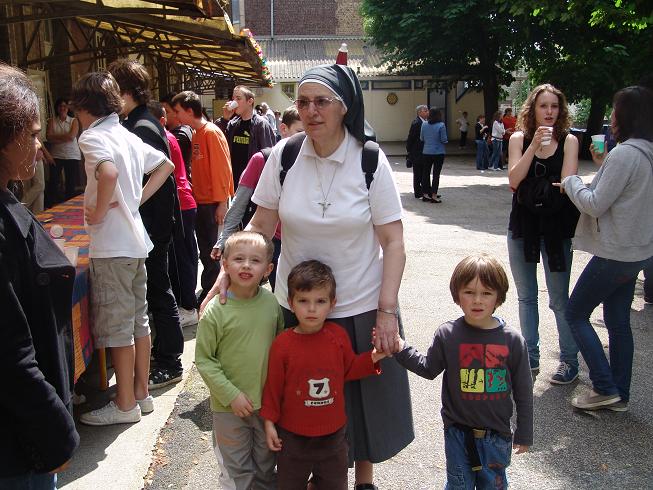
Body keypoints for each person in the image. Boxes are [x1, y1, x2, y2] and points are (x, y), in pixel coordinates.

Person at [203, 63, 414, 489]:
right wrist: (228, 271)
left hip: (357, 304)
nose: (311, 111)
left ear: (345, 106)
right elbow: (260, 227)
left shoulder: (370, 160)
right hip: (294, 306)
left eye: (322, 102)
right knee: (299, 401)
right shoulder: (284, 156)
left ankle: (364, 481)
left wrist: (387, 311)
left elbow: (393, 243)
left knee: (362, 405)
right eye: (302, 102)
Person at [70, 71, 174, 425]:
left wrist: (98, 213)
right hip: (136, 244)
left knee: (118, 327)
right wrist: (135, 202)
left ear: (84, 106)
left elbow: (109, 174)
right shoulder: (126, 135)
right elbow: (166, 165)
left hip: (112, 245)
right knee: (138, 322)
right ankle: (141, 394)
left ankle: (125, 404)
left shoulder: (92, 137)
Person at [0, 62, 79, 490]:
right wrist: (55, 428)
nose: (39, 143)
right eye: (31, 134)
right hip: (18, 443)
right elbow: (10, 353)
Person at [394, 254, 533, 489]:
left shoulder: (512, 340)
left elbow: (523, 391)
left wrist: (524, 433)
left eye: (486, 293)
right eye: (469, 292)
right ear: (457, 294)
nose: (477, 300)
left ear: (498, 297)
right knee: (458, 485)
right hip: (458, 434)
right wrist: (399, 348)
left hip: (496, 437)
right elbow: (428, 368)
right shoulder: (448, 335)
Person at [560, 86, 653, 411]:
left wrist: (572, 182)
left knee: (575, 313)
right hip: (637, 252)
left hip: (615, 253)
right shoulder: (643, 152)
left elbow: (596, 204)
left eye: (615, 111)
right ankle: (619, 394)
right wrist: (601, 164)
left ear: (626, 115)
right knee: (617, 321)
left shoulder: (625, 154)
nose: (611, 118)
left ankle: (603, 386)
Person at [261, 260, 385, 489]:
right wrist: (269, 423)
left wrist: (374, 358)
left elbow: (350, 369)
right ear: (291, 303)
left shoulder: (337, 336)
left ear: (332, 304)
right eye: (303, 301)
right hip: (292, 438)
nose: (311, 309)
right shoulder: (283, 344)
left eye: (320, 301)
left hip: (333, 438)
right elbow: (273, 388)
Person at [108, 59, 185, 390]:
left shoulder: (141, 127)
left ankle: (170, 360)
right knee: (156, 289)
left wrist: (135, 205)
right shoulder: (139, 122)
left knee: (158, 290)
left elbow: (162, 178)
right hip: (153, 224)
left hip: (153, 225)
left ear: (125, 93)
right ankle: (165, 355)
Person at [195, 231, 283, 490]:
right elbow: (204, 360)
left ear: (268, 269)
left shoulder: (270, 303)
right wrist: (231, 394)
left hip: (266, 406)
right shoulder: (215, 311)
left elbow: (279, 350)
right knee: (237, 473)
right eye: (239, 259)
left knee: (267, 469)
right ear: (225, 265)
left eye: (255, 261)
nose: (246, 265)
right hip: (229, 409)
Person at [507, 83, 580, 384]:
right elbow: (513, 180)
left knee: (559, 299)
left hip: (556, 227)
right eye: (543, 106)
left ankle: (569, 361)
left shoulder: (570, 141)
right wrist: (533, 147)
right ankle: (530, 357)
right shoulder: (518, 139)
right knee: (526, 297)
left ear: (560, 110)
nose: (549, 112)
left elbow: (567, 184)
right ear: (532, 110)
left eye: (554, 106)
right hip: (523, 225)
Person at [211, 105, 304, 291]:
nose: (306, 139)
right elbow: (239, 202)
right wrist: (224, 239)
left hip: (304, 243)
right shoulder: (263, 159)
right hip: (273, 240)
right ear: (284, 129)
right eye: (300, 132)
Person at [172, 90, 233, 305]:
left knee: (211, 252)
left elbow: (222, 170)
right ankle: (210, 290)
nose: (176, 116)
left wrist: (222, 203)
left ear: (190, 111)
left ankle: (212, 293)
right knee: (206, 251)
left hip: (212, 203)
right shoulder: (198, 132)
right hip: (203, 201)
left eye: (178, 111)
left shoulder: (210, 132)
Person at [147, 101, 199, 327]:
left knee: (183, 258)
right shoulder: (166, 136)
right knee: (183, 256)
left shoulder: (164, 138)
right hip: (182, 202)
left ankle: (188, 306)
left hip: (182, 204)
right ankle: (184, 303)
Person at [218, 86, 276, 190]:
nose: (234, 102)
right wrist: (225, 119)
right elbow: (220, 142)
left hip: (254, 183)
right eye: (233, 99)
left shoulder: (261, 124)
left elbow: (269, 155)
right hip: (235, 180)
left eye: (238, 98)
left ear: (250, 101)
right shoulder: (232, 123)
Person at [45, 97, 81, 207]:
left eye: (65, 106)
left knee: (71, 183)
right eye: (60, 106)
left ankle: (70, 206)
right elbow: (49, 137)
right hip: (56, 155)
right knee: (54, 182)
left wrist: (57, 138)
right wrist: (64, 137)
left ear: (68, 108)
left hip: (72, 155)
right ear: (57, 108)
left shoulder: (73, 120)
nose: (62, 108)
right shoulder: (52, 121)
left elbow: (71, 136)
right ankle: (52, 205)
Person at [161, 93, 193, 180]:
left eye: (166, 112)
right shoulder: (186, 129)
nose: (163, 115)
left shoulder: (180, 135)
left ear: (176, 112)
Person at [420, 107, 448, 203]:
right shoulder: (441, 125)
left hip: (426, 151)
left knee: (425, 173)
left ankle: (425, 194)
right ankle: (434, 195)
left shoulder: (424, 124)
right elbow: (444, 139)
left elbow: (422, 138)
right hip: (438, 152)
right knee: (436, 174)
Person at [21, 145, 52, 213]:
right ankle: (21, 207)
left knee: (36, 187)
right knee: (39, 185)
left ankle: (37, 214)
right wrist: (46, 153)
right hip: (28, 153)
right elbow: (36, 138)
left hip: (33, 152)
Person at [406, 104, 428, 198]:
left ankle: (426, 190)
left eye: (427, 110)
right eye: (425, 110)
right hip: (417, 151)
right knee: (418, 173)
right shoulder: (416, 123)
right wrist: (409, 150)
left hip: (425, 151)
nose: (427, 112)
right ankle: (418, 192)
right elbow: (411, 137)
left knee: (424, 172)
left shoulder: (426, 122)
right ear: (419, 112)